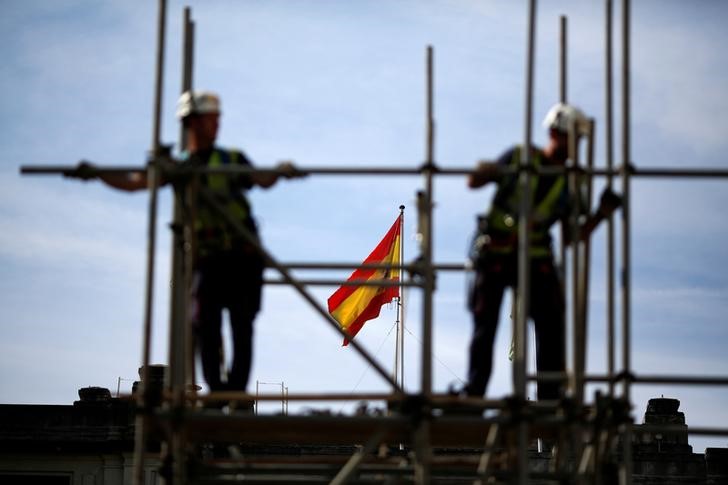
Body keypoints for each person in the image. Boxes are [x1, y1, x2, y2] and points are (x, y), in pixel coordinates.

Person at [68, 90, 303, 395]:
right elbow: (135, 182)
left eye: (218, 119)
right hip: (209, 259)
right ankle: (219, 392)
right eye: (210, 119)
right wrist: (99, 175)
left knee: (241, 327)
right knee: (206, 325)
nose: (216, 125)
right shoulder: (178, 166)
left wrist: (280, 171)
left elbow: (260, 179)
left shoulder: (230, 159)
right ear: (192, 122)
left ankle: (234, 392)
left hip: (243, 256)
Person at [463, 103, 620, 401]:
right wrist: (490, 170)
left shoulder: (571, 182)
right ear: (553, 133)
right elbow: (473, 182)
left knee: (551, 322)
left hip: (535, 259)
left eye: (578, 139)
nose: (574, 145)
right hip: (496, 253)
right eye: (569, 136)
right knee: (485, 326)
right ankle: (474, 393)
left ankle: (549, 395)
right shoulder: (521, 157)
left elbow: (573, 236)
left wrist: (601, 213)